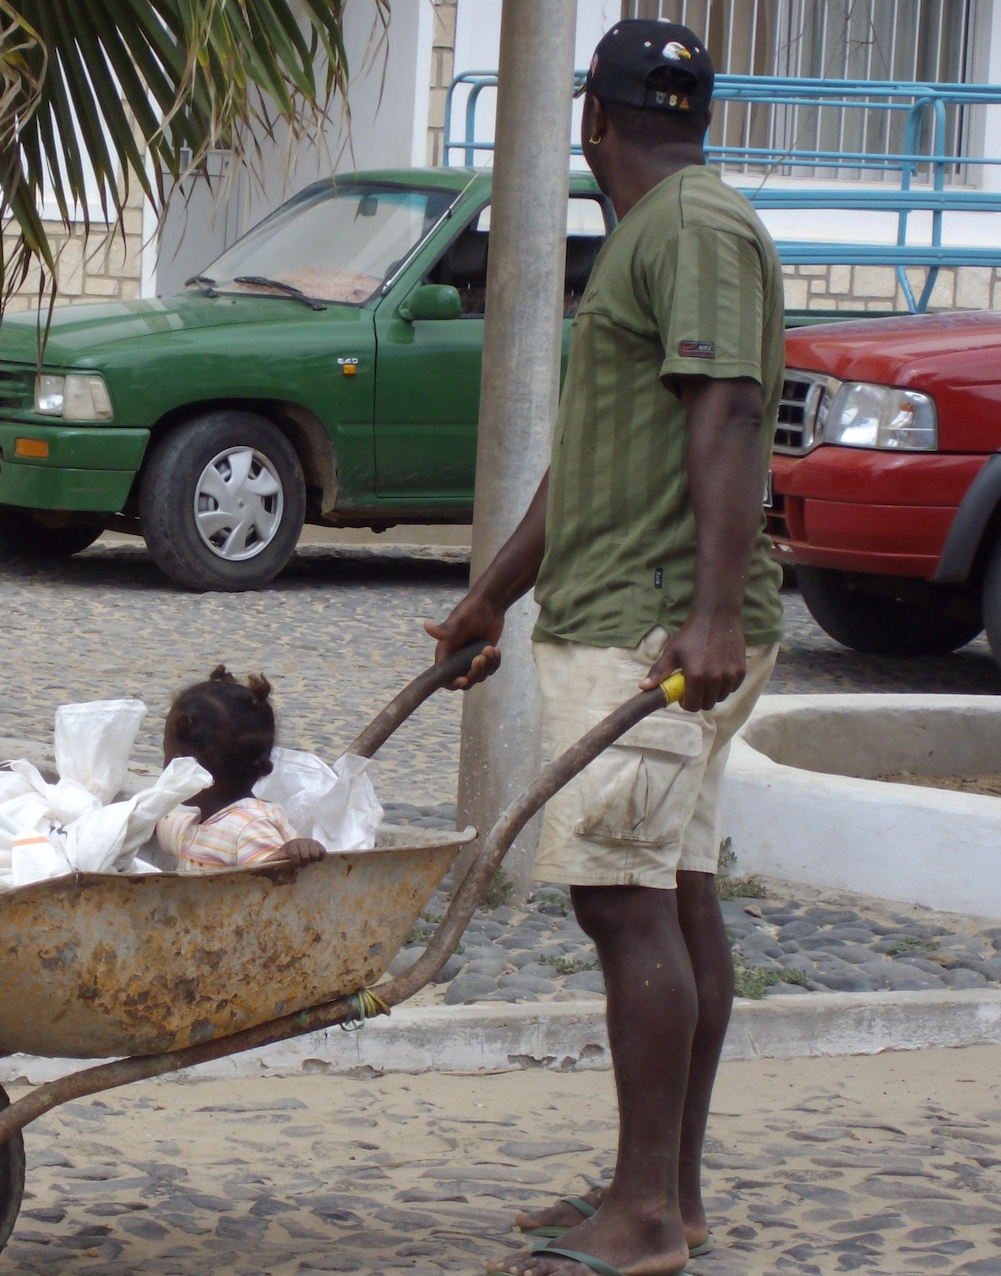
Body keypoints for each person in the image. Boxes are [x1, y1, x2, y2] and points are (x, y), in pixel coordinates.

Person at [427, 20, 784, 1276]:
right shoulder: (663, 231)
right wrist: (491, 599)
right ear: (694, 113)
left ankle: (638, 1216)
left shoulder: (688, 227)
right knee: (673, 900)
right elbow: (591, 466)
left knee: (622, 904)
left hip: (653, 629)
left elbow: (733, 411)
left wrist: (713, 613)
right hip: (643, 609)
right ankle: (665, 1196)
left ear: (591, 120)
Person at [155, 667, 328, 872]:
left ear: (181, 764)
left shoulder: (249, 827)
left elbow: (268, 879)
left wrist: (289, 852)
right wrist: (133, 820)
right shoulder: (202, 825)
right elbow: (161, 826)